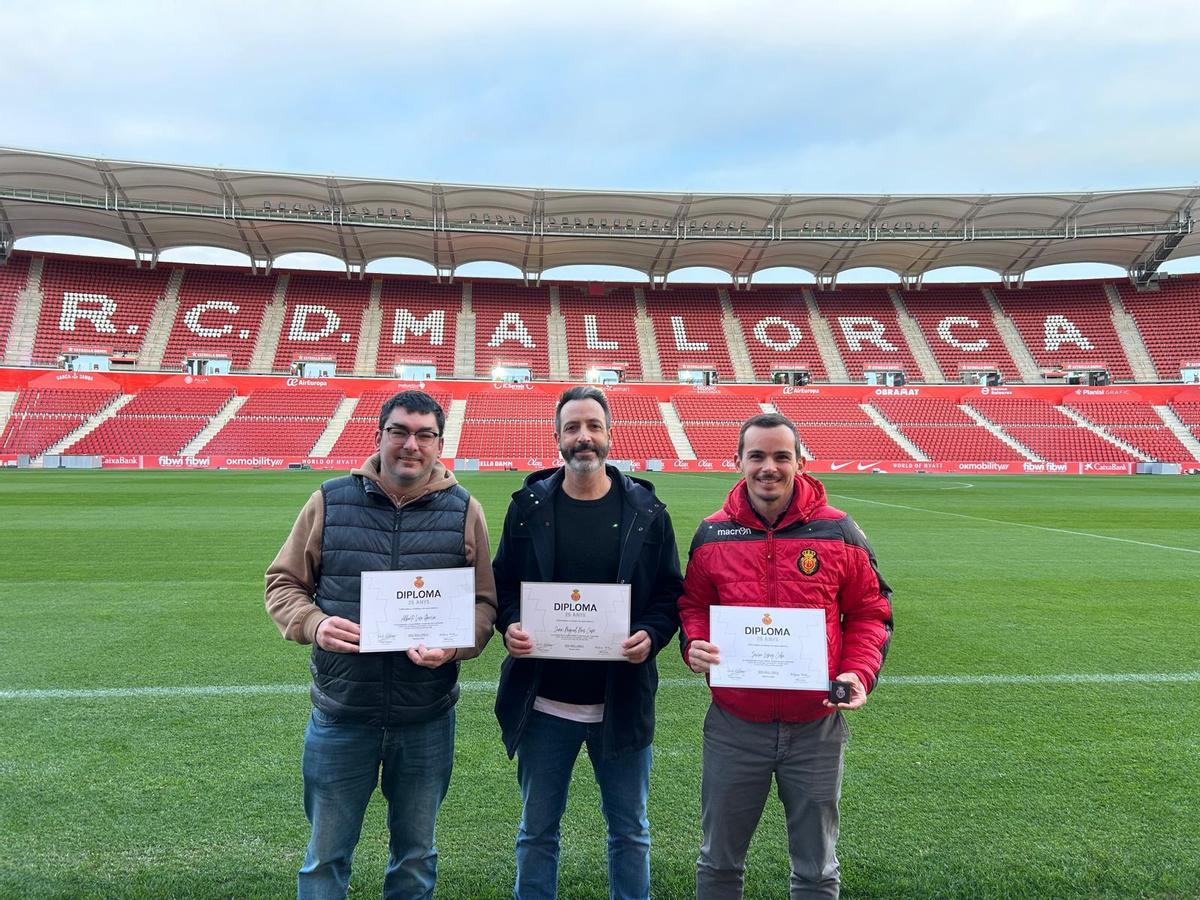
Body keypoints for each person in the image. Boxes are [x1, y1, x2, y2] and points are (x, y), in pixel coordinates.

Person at [265, 390, 497, 900]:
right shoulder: (329, 499)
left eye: (424, 434)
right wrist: (313, 623)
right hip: (341, 714)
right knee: (324, 859)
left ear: (439, 444)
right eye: (399, 431)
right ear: (379, 436)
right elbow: (282, 584)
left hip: (426, 717)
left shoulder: (465, 510)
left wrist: (455, 645)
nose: (410, 444)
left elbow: (484, 605)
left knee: (415, 858)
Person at [678, 413, 893, 900]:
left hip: (815, 726)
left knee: (816, 869)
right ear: (738, 462)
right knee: (718, 862)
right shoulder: (712, 535)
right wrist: (695, 642)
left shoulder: (840, 532)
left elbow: (870, 612)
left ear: (800, 461)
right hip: (734, 724)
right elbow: (693, 604)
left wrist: (858, 672)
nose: (768, 467)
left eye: (780, 456)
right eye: (756, 456)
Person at [492, 385, 683, 900]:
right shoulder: (528, 507)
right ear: (556, 437)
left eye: (593, 426)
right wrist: (509, 624)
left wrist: (652, 634)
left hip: (620, 702)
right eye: (572, 427)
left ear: (608, 434)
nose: (584, 438)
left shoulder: (647, 510)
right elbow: (503, 583)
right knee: (536, 833)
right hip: (543, 704)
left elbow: (669, 592)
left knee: (630, 832)